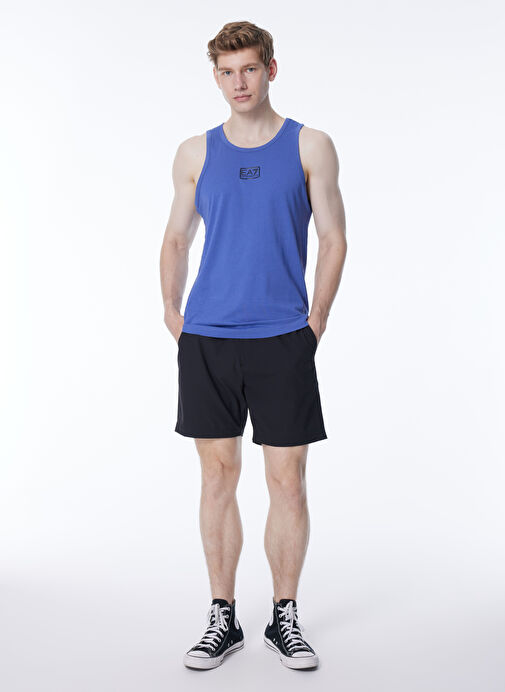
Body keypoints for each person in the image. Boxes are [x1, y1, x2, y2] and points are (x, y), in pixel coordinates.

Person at [160, 21, 347, 670]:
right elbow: (176, 238)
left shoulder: (310, 145)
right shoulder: (194, 152)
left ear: (270, 68)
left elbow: (333, 237)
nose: (238, 82)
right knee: (217, 476)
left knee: (286, 481)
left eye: (248, 68)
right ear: (215, 76)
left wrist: (315, 320)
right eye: (226, 71)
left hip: (282, 337)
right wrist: (173, 313)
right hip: (208, 338)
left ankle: (284, 615)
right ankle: (223, 616)